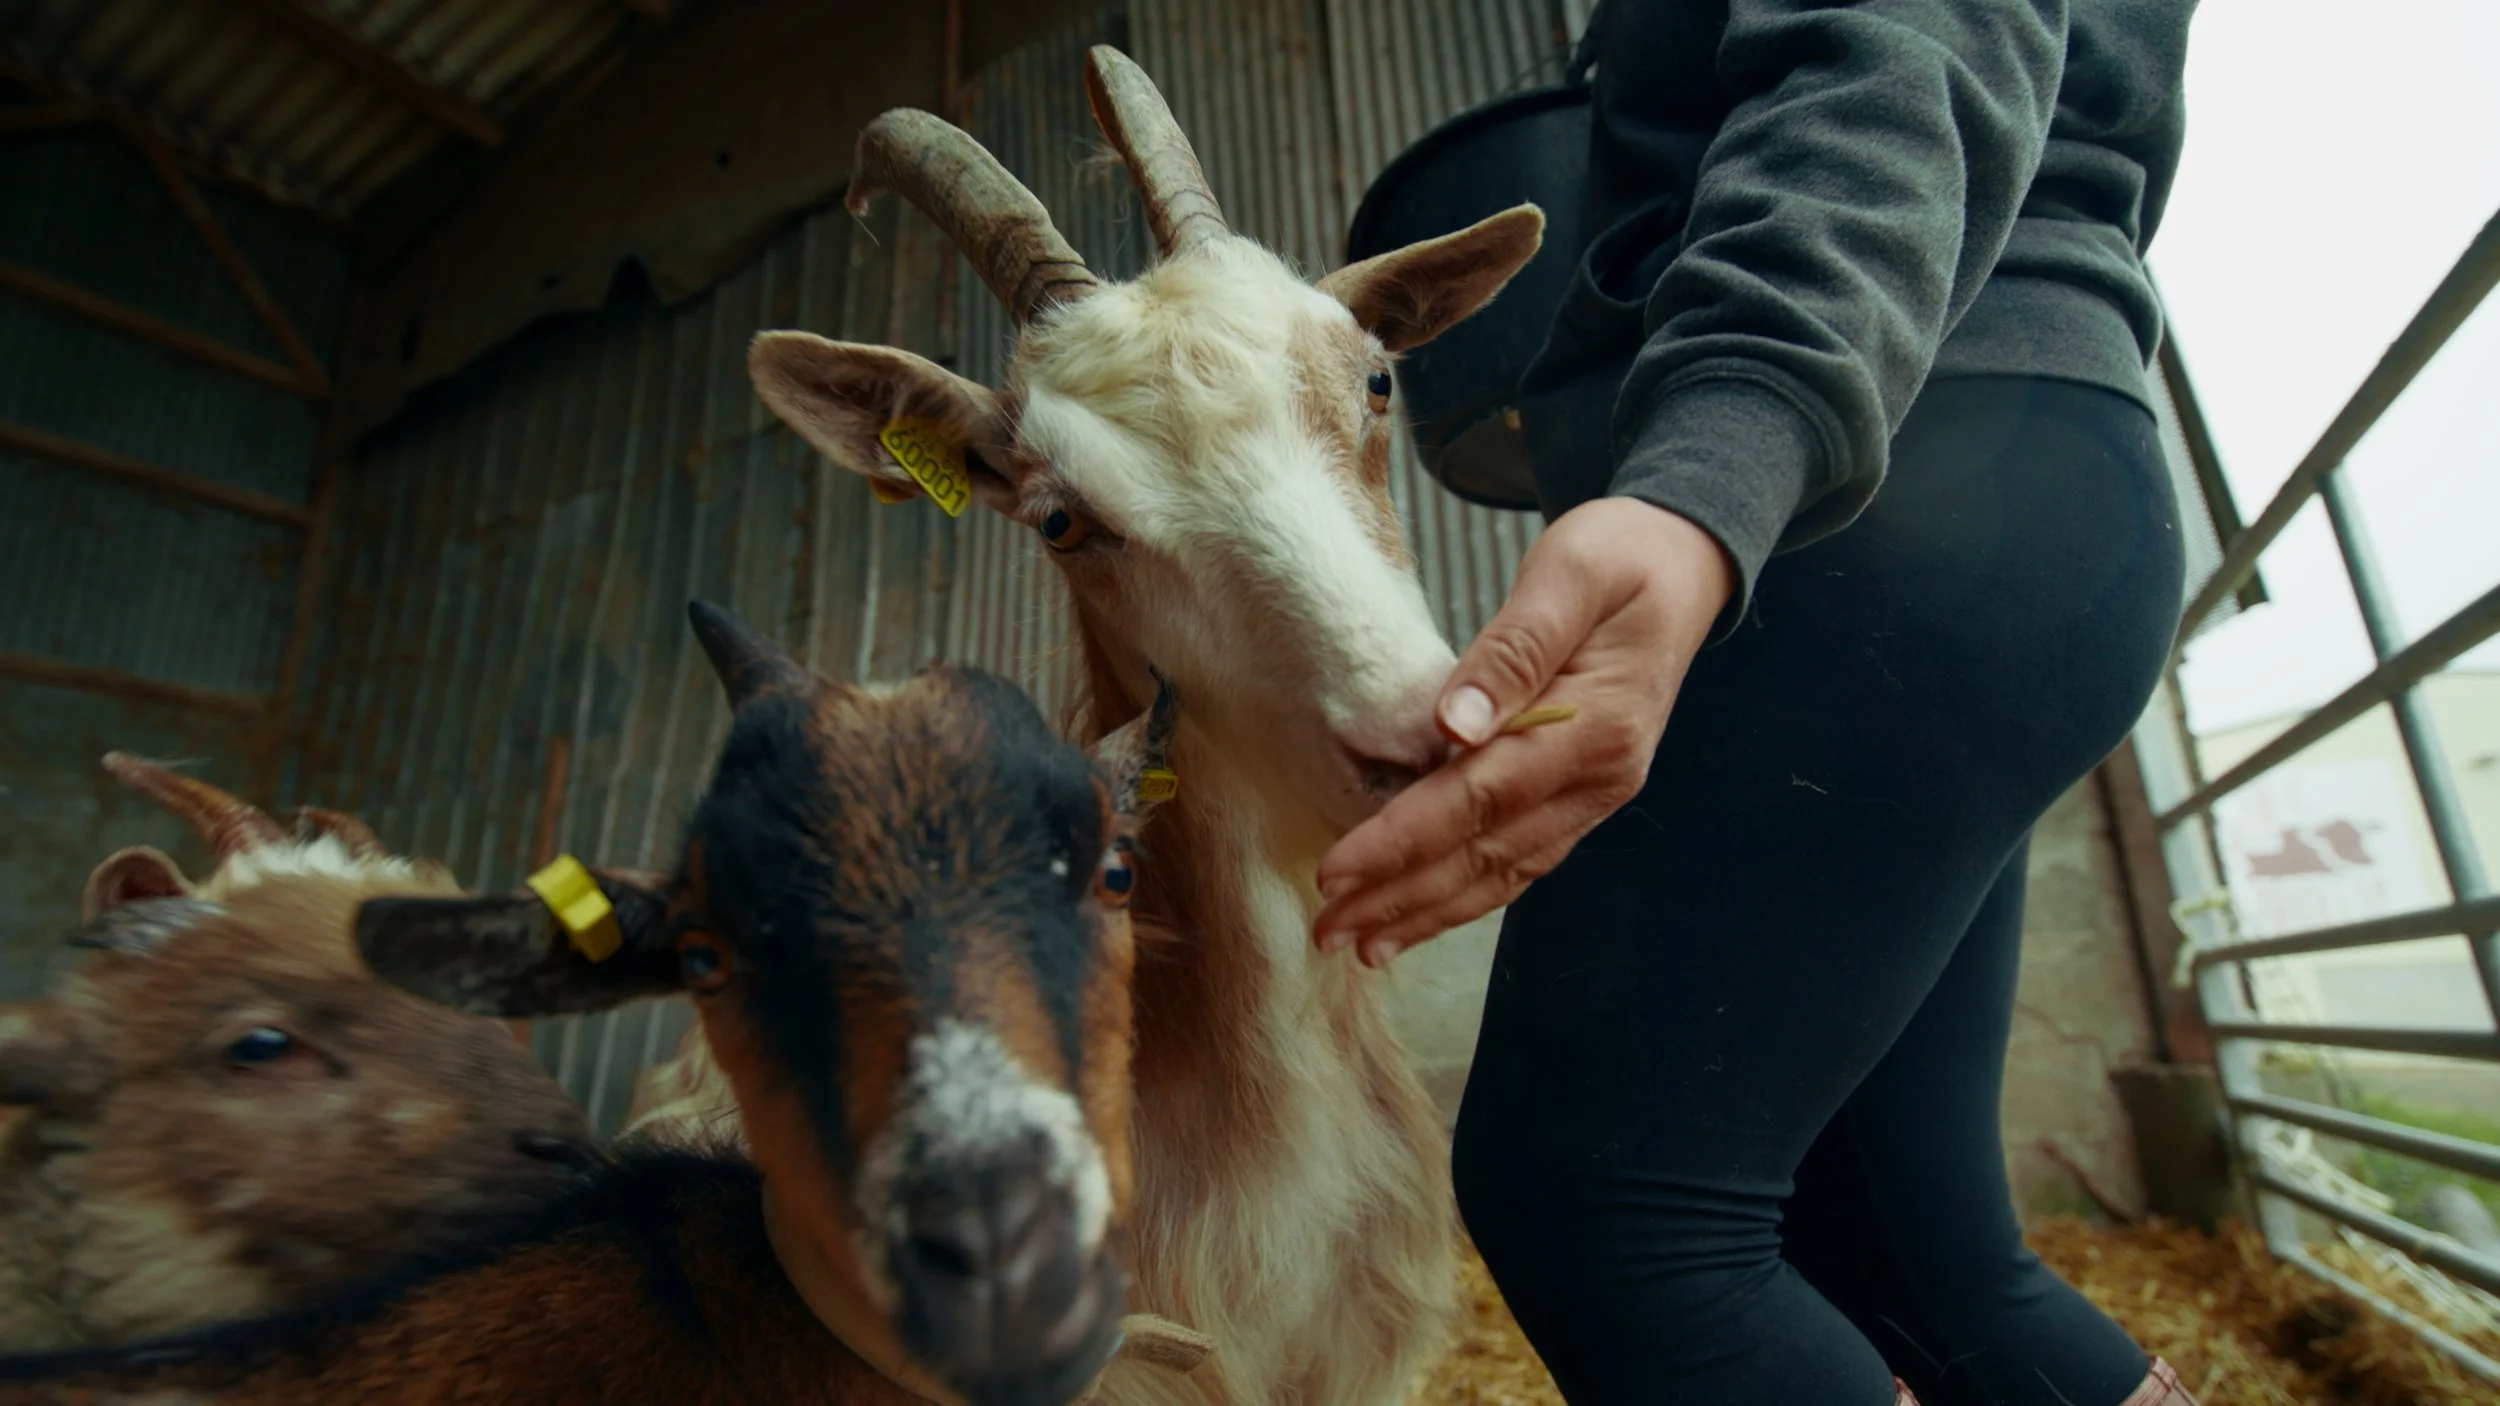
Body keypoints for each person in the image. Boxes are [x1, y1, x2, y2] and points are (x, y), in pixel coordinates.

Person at [1312, 2, 2202, 1403]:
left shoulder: (1774, 448)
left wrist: (1711, 463)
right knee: (1916, 1255)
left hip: (1876, 505)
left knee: (1611, 1212)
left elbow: (1911, 36)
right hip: (2015, 480)